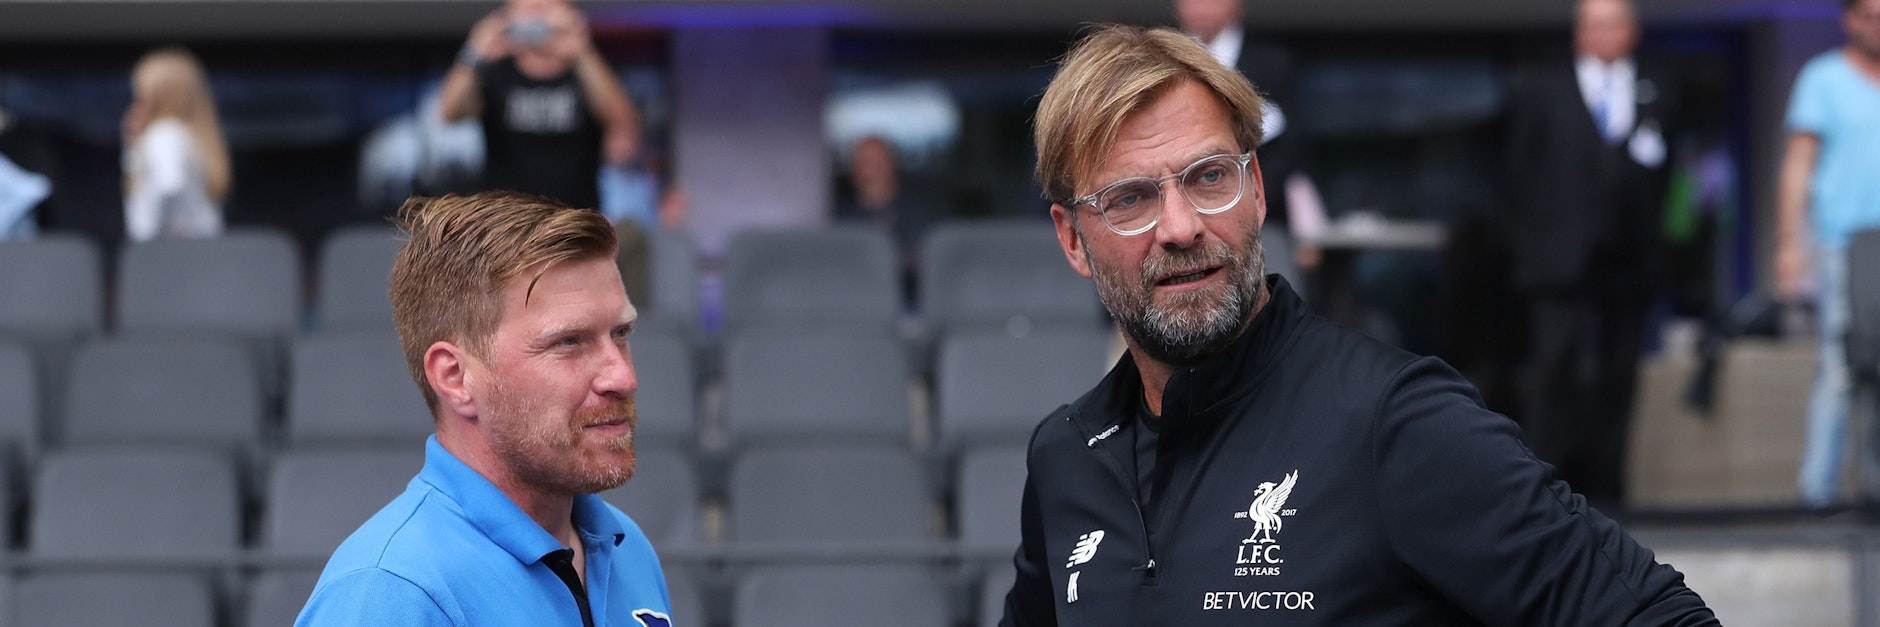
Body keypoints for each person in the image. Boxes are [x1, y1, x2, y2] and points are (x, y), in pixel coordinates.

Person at [998, 24, 1715, 625]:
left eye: (1210, 177)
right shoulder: (1066, 456)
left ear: (1258, 190)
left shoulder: (1395, 422)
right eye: (1129, 198)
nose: (1181, 227)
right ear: (1072, 240)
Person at [297, 192, 673, 627]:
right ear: (455, 378)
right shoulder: (388, 594)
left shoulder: (629, 548)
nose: (623, 378)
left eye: (621, 333)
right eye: (569, 342)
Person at [1502, 0, 1675, 508]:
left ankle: (1610, 492)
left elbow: (1668, 179)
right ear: (1578, 33)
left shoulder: (1656, 88)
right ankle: (1542, 492)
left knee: (1619, 376)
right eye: (1593, 25)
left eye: (1613, 25)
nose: (1603, 35)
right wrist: (1527, 250)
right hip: (1558, 261)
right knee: (1553, 370)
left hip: (1629, 262)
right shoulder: (1542, 87)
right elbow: (1516, 176)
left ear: (1631, 32)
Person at [1779, 0, 1880, 508]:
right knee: (1840, 370)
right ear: (1849, 19)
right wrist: (1788, 243)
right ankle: (1817, 493)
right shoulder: (1822, 79)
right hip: (1844, 244)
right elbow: (1798, 164)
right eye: (1869, 15)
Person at [437, 0, 638, 211]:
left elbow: (622, 121)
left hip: (574, 217)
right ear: (508, 14)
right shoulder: (494, 69)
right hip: (506, 217)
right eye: (527, 10)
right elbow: (449, 112)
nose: (535, 20)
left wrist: (583, 52)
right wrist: (474, 52)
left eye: (543, 9)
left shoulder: (586, 71)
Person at [1173, 0, 1323, 273]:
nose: (1201, 7)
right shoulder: (1161, 59)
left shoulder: (1271, 63)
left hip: (1263, 221)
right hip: (1177, 215)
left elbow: (1293, 150)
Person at [122, 47, 230, 242]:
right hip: (201, 246)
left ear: (159, 97)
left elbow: (170, 187)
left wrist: (152, 236)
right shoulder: (190, 136)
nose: (135, 107)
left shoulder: (164, 134)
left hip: (169, 249)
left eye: (141, 98)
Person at [834, 135, 931, 304]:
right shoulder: (839, 220)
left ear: (891, 163)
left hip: (908, 303)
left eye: (875, 161)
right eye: (861, 162)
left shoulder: (919, 216)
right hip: (853, 303)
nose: (867, 168)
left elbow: (926, 264)